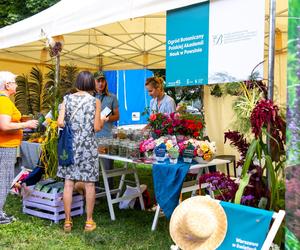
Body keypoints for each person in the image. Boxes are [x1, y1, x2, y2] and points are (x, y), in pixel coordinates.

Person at [57, 71, 104, 232]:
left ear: (77, 83)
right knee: (89, 184)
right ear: (91, 84)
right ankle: (89, 222)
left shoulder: (67, 99)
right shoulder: (95, 101)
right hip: (87, 147)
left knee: (68, 183)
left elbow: (60, 122)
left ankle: (68, 221)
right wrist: (102, 120)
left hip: (69, 146)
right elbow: (97, 128)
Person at [0, 71, 38, 225]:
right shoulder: (4, 101)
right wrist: (26, 124)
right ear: (7, 85)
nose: (16, 85)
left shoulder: (4, 101)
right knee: (4, 179)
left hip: (5, 145)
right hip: (5, 146)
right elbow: (4, 125)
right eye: (14, 82)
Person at [94, 71, 119, 189]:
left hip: (106, 136)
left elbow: (117, 116)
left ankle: (110, 191)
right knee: (93, 166)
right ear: (94, 82)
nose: (100, 83)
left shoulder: (112, 97)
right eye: (98, 81)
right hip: (92, 136)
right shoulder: (90, 97)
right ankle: (96, 192)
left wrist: (106, 118)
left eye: (102, 81)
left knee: (107, 166)